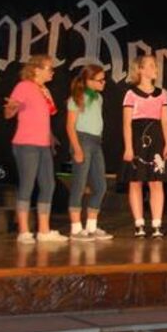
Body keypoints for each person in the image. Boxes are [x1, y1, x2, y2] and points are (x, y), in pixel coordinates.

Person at [3, 54, 68, 244]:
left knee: (48, 184)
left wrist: (50, 136)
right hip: (26, 144)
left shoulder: (44, 90)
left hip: (43, 145)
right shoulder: (24, 86)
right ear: (37, 69)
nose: (52, 72)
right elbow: (8, 113)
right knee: (28, 184)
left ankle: (44, 230)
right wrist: (11, 108)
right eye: (49, 68)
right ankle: (23, 231)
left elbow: (41, 116)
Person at [122, 54, 167, 238]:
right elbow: (126, 123)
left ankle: (157, 224)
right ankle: (139, 223)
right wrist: (128, 147)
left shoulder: (162, 94)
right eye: (150, 65)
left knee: (156, 182)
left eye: (155, 66)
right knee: (136, 182)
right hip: (137, 139)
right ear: (140, 69)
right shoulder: (131, 94)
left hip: (156, 140)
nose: (155, 69)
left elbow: (165, 121)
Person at [66, 64, 113, 241]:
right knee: (79, 184)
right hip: (82, 140)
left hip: (95, 142)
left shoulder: (98, 98)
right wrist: (77, 148)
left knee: (101, 186)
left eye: (104, 79)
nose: (104, 82)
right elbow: (70, 126)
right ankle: (76, 229)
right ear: (89, 80)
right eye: (100, 80)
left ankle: (91, 227)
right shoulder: (76, 98)